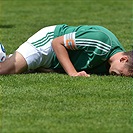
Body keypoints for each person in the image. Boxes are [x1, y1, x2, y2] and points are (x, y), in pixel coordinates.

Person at [0, 24, 133, 77]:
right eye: (121, 74)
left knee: (14, 67)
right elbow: (57, 42)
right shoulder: (101, 40)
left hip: (54, 60)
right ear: (123, 59)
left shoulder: (111, 64)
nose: (117, 77)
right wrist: (73, 73)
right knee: (4, 70)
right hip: (48, 42)